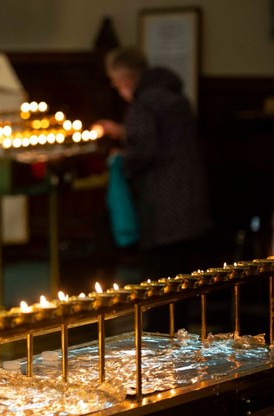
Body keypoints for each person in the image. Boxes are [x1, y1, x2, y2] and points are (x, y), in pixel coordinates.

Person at [95, 48, 213, 330]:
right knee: (183, 286)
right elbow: (165, 140)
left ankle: (160, 347)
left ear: (125, 77)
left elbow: (143, 151)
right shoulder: (173, 95)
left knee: (160, 289)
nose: (115, 86)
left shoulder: (144, 103)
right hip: (189, 203)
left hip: (162, 210)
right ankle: (179, 342)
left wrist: (118, 159)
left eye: (114, 80)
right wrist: (125, 132)